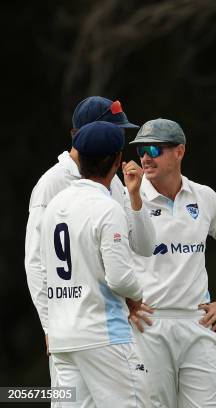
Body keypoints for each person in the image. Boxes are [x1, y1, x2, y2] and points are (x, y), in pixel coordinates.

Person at [24, 96, 155, 385]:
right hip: (73, 330)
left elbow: (143, 246)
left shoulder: (115, 182)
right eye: (114, 131)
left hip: (106, 322)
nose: (118, 140)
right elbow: (35, 263)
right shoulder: (51, 183)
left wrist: (135, 197)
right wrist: (49, 324)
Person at [127, 118, 216, 407]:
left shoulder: (203, 197)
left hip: (197, 324)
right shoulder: (128, 197)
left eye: (155, 150)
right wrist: (122, 300)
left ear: (179, 152)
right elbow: (107, 255)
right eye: (142, 149)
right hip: (148, 325)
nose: (146, 157)